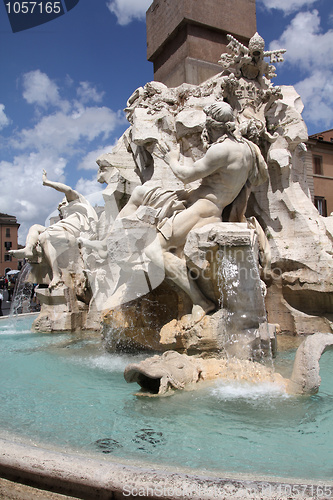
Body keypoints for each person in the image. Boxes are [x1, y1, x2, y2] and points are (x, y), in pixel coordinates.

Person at [10, 170, 98, 289]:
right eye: (59, 207)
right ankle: (28, 249)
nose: (60, 207)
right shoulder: (64, 218)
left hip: (71, 234)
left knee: (44, 236)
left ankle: (56, 275)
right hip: (60, 231)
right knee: (35, 227)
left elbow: (67, 189)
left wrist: (47, 182)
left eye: (61, 204)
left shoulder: (75, 204)